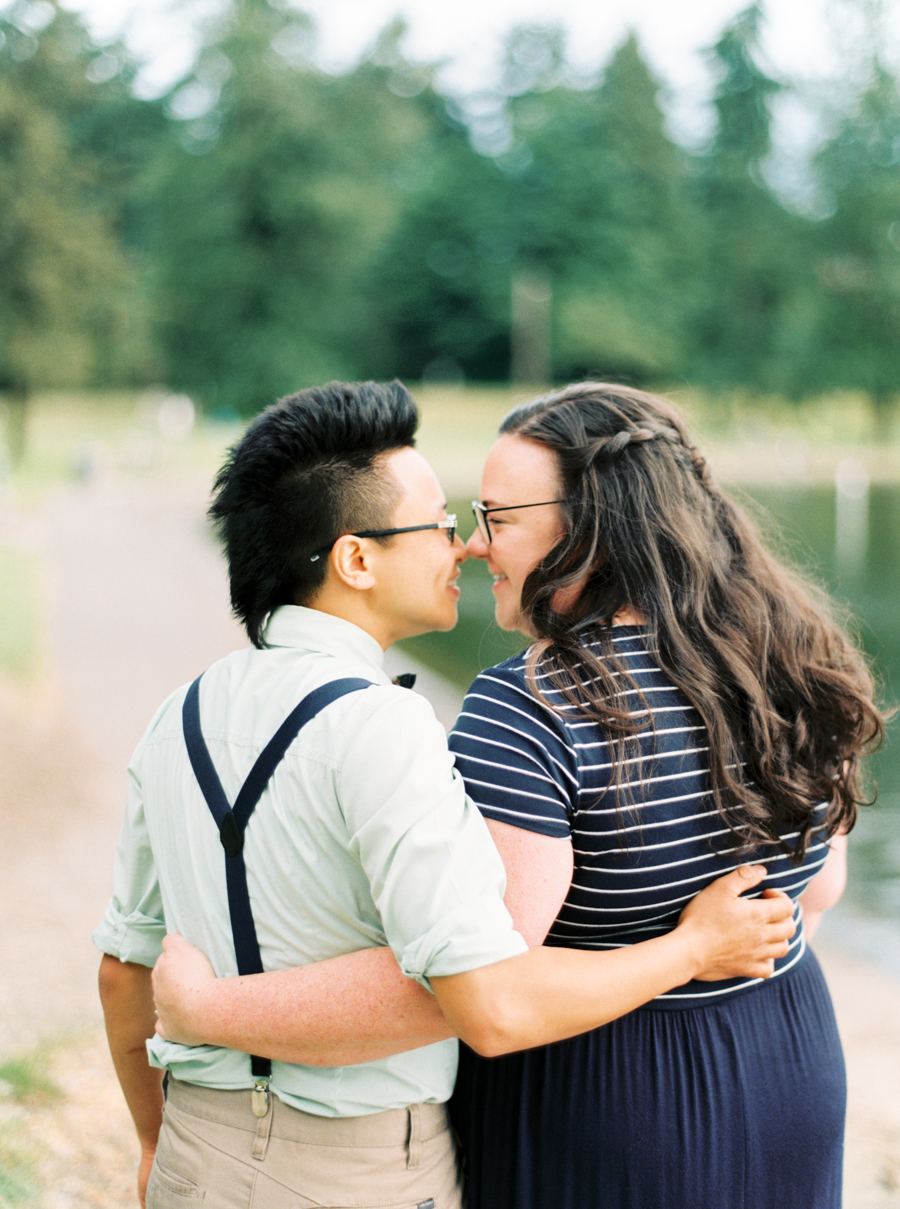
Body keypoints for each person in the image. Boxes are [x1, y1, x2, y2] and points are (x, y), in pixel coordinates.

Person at [95, 380, 794, 1209]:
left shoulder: (176, 714)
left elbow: (121, 970)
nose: (462, 547)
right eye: (439, 525)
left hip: (193, 1150)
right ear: (356, 558)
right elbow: (483, 999)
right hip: (360, 1167)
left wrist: (149, 1137)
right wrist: (692, 950)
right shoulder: (390, 728)